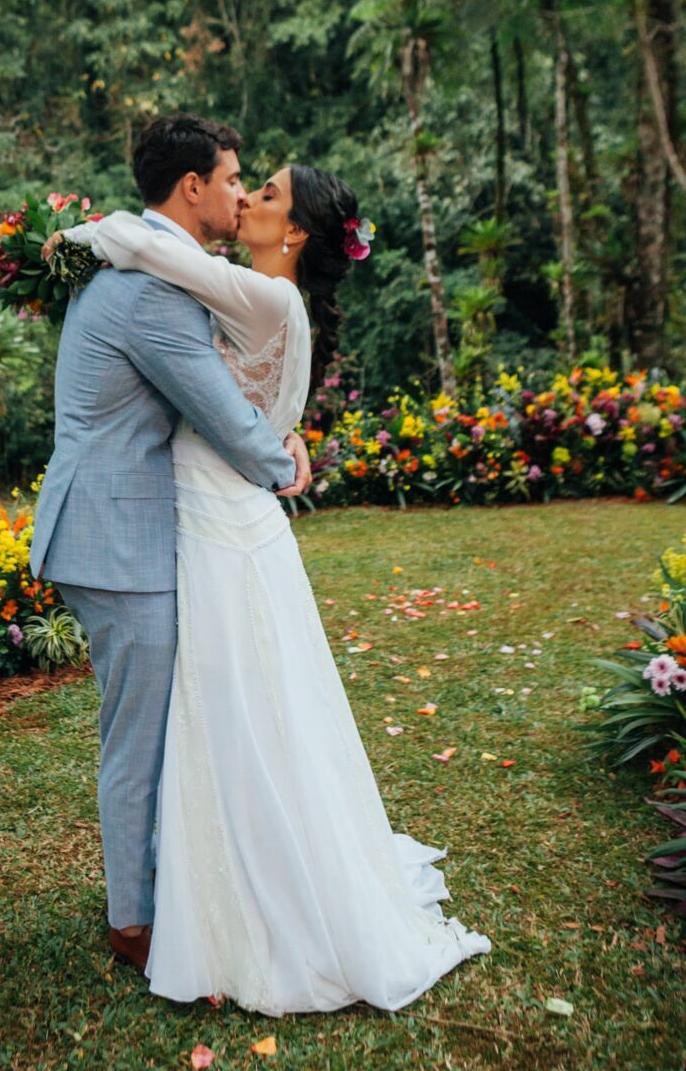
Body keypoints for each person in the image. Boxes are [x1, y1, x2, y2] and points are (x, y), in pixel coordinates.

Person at [53, 161, 491, 1016]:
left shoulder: (266, 295)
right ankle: (206, 880)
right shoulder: (256, 294)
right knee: (237, 709)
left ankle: (239, 898)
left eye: (267, 194)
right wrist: (283, 445)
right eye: (243, 184)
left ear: (292, 233)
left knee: (232, 712)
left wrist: (94, 233)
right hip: (217, 519)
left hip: (216, 523)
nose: (248, 198)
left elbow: (174, 266)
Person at [29, 114, 312, 975]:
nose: (238, 191)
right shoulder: (150, 291)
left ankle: (161, 885)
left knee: (154, 723)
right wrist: (285, 464)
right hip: (113, 534)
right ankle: (134, 920)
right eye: (231, 178)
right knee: (138, 734)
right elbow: (220, 414)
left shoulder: (145, 263)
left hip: (119, 525)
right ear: (190, 187)